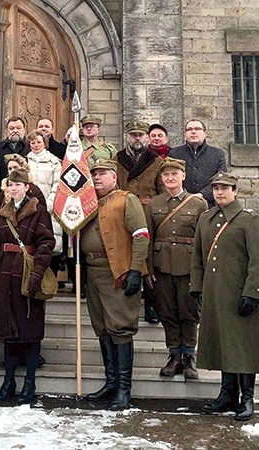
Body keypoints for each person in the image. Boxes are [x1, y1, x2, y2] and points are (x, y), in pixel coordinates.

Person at [0, 168, 55, 404]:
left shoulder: (38, 212)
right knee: (8, 332)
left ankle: (29, 382)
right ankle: (9, 380)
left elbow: (46, 244)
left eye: (18, 185)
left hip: (26, 275)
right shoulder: (1, 214)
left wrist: (36, 274)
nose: (13, 189)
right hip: (4, 276)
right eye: (10, 185)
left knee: (30, 332)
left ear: (27, 187)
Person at [81, 159, 149, 411]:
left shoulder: (126, 200)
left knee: (120, 329)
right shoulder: (89, 203)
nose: (97, 178)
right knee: (103, 329)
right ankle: (110, 383)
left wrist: (135, 271)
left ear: (114, 177)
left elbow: (141, 236)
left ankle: (123, 389)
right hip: (93, 274)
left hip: (117, 273)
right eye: (94, 174)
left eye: (103, 174)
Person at [191, 172, 259, 421]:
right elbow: (197, 258)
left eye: (225, 188)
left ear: (235, 191)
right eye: (216, 188)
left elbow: (257, 260)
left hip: (239, 294)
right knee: (222, 345)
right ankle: (226, 394)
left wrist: (253, 292)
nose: (220, 192)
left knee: (242, 348)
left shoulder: (248, 220)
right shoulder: (206, 219)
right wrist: (197, 288)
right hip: (215, 294)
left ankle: (246, 398)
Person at [146, 158, 207, 379]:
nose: (170, 178)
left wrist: (202, 271)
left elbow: (202, 240)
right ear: (161, 178)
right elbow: (149, 239)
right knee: (168, 312)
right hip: (162, 267)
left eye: (174, 174)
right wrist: (148, 269)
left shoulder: (198, 204)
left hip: (189, 268)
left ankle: (189, 356)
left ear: (183, 176)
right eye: (166, 175)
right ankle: (174, 355)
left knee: (189, 313)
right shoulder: (154, 204)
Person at [115, 120, 164, 324]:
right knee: (126, 255)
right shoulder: (118, 160)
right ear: (127, 136)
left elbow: (162, 191)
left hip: (147, 213)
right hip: (123, 212)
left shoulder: (156, 162)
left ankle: (151, 304)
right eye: (133, 135)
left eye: (141, 135)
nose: (137, 139)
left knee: (149, 259)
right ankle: (125, 303)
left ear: (147, 137)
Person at [169, 119, 227, 206]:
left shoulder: (217, 154)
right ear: (185, 135)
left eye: (197, 129)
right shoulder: (175, 153)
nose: (193, 132)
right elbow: (171, 177)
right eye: (189, 129)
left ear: (205, 134)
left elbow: (221, 179)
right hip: (181, 203)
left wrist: (202, 194)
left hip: (210, 204)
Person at [26, 130, 63, 259]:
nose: (35, 145)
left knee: (47, 244)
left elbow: (57, 185)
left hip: (49, 206)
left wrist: (48, 204)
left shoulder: (54, 162)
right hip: (28, 208)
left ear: (45, 143)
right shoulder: (25, 161)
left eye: (38, 142)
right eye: (32, 142)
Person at [0, 117, 28, 183]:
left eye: (18, 128)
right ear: (7, 131)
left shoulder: (31, 147)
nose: (15, 131)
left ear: (24, 130)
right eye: (11, 128)